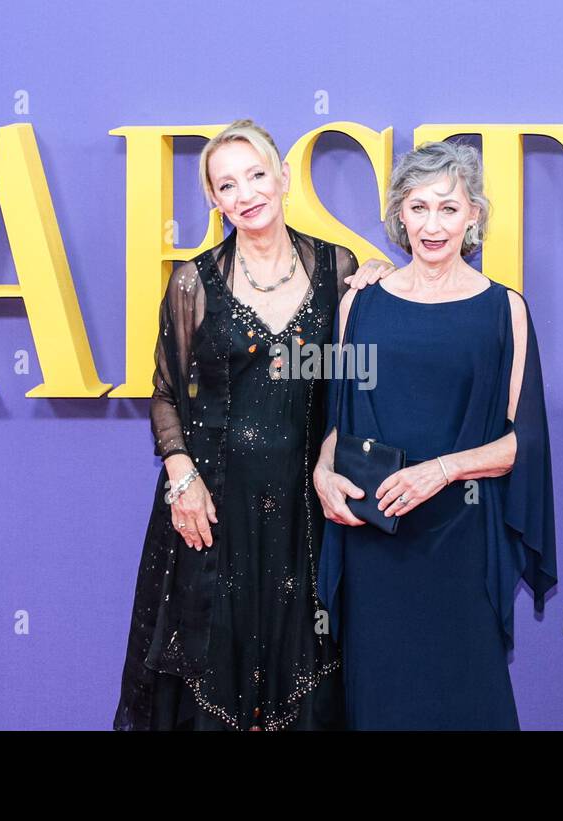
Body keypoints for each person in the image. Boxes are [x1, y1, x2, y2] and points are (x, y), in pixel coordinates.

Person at [114, 119, 392, 731]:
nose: (246, 193)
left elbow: (355, 374)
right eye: (228, 184)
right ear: (214, 201)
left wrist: (375, 287)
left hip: (306, 512)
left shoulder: (338, 267)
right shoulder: (192, 282)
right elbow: (164, 393)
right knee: (210, 675)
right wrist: (180, 476)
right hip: (213, 508)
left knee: (309, 675)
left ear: (284, 177)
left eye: (257, 175)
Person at [314, 140, 559, 730]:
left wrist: (441, 470)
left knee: (470, 704)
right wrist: (322, 472)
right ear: (400, 214)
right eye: (419, 207)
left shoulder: (505, 310)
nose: (433, 224)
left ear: (474, 215)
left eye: (449, 208)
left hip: (461, 542)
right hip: (376, 540)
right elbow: (335, 422)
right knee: (380, 705)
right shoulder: (360, 306)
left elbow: (520, 444)